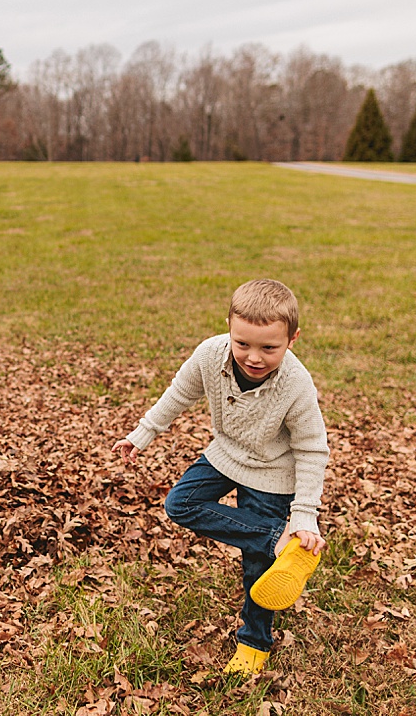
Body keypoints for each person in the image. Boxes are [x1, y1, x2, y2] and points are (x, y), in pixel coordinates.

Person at [113, 278, 329, 677]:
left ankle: (254, 642)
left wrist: (304, 514)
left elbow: (312, 449)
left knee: (257, 566)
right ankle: (277, 538)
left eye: (269, 348)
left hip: (272, 472)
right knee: (181, 504)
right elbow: (180, 393)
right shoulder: (211, 355)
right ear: (228, 327)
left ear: (292, 339)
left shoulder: (296, 384)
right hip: (225, 454)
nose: (253, 357)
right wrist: (142, 434)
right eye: (242, 343)